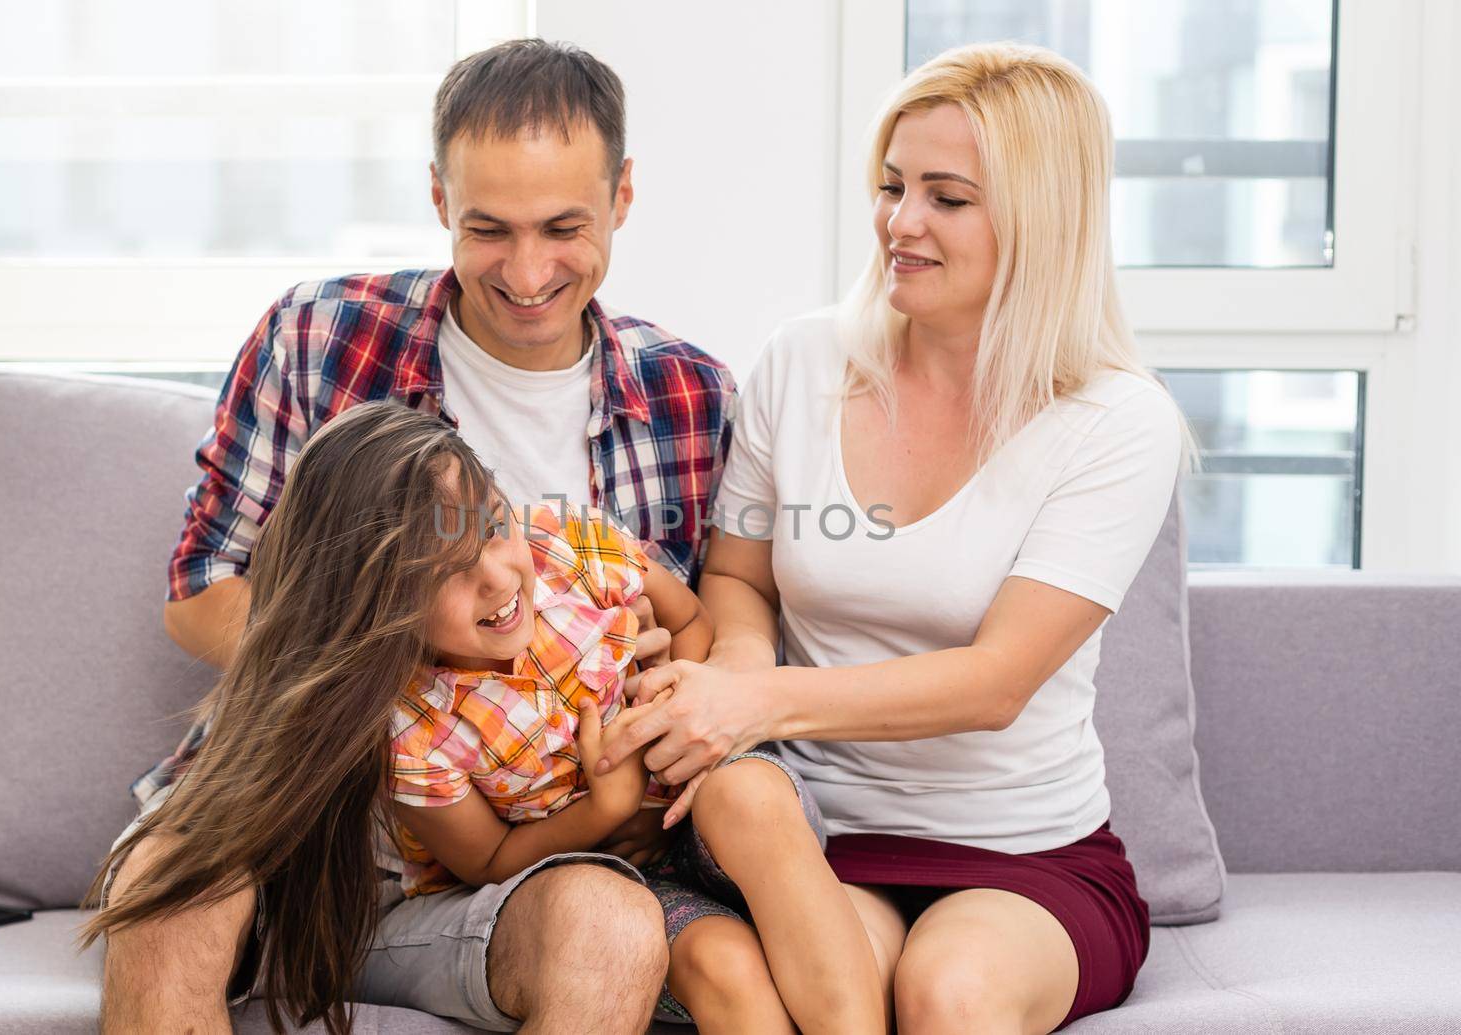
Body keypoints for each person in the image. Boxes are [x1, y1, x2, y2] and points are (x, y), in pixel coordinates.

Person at [91, 38, 737, 1035]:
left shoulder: (689, 394)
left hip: (526, 849)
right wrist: (404, 667)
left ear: (623, 195)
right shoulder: (317, 337)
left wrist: (657, 686)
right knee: (173, 893)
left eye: (564, 226)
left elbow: (709, 623)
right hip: (296, 801)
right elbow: (202, 591)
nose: (526, 273)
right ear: (439, 197)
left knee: (607, 928)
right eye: (488, 229)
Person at [603, 43, 1192, 1033]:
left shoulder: (1115, 421)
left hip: (1023, 853)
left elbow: (994, 682)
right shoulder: (801, 361)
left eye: (946, 199)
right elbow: (738, 576)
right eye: (890, 187)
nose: (899, 224)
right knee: (815, 999)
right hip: (822, 835)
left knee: (948, 997)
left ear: (1040, 218)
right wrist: (732, 675)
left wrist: (751, 700)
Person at [83, 404, 879, 1035]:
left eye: (495, 528)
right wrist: (598, 808)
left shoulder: (572, 540)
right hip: (434, 848)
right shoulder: (405, 713)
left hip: (635, 831)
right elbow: (485, 854)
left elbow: (694, 622)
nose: (499, 578)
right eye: (442, 574)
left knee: (675, 868)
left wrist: (673, 688)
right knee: (180, 887)